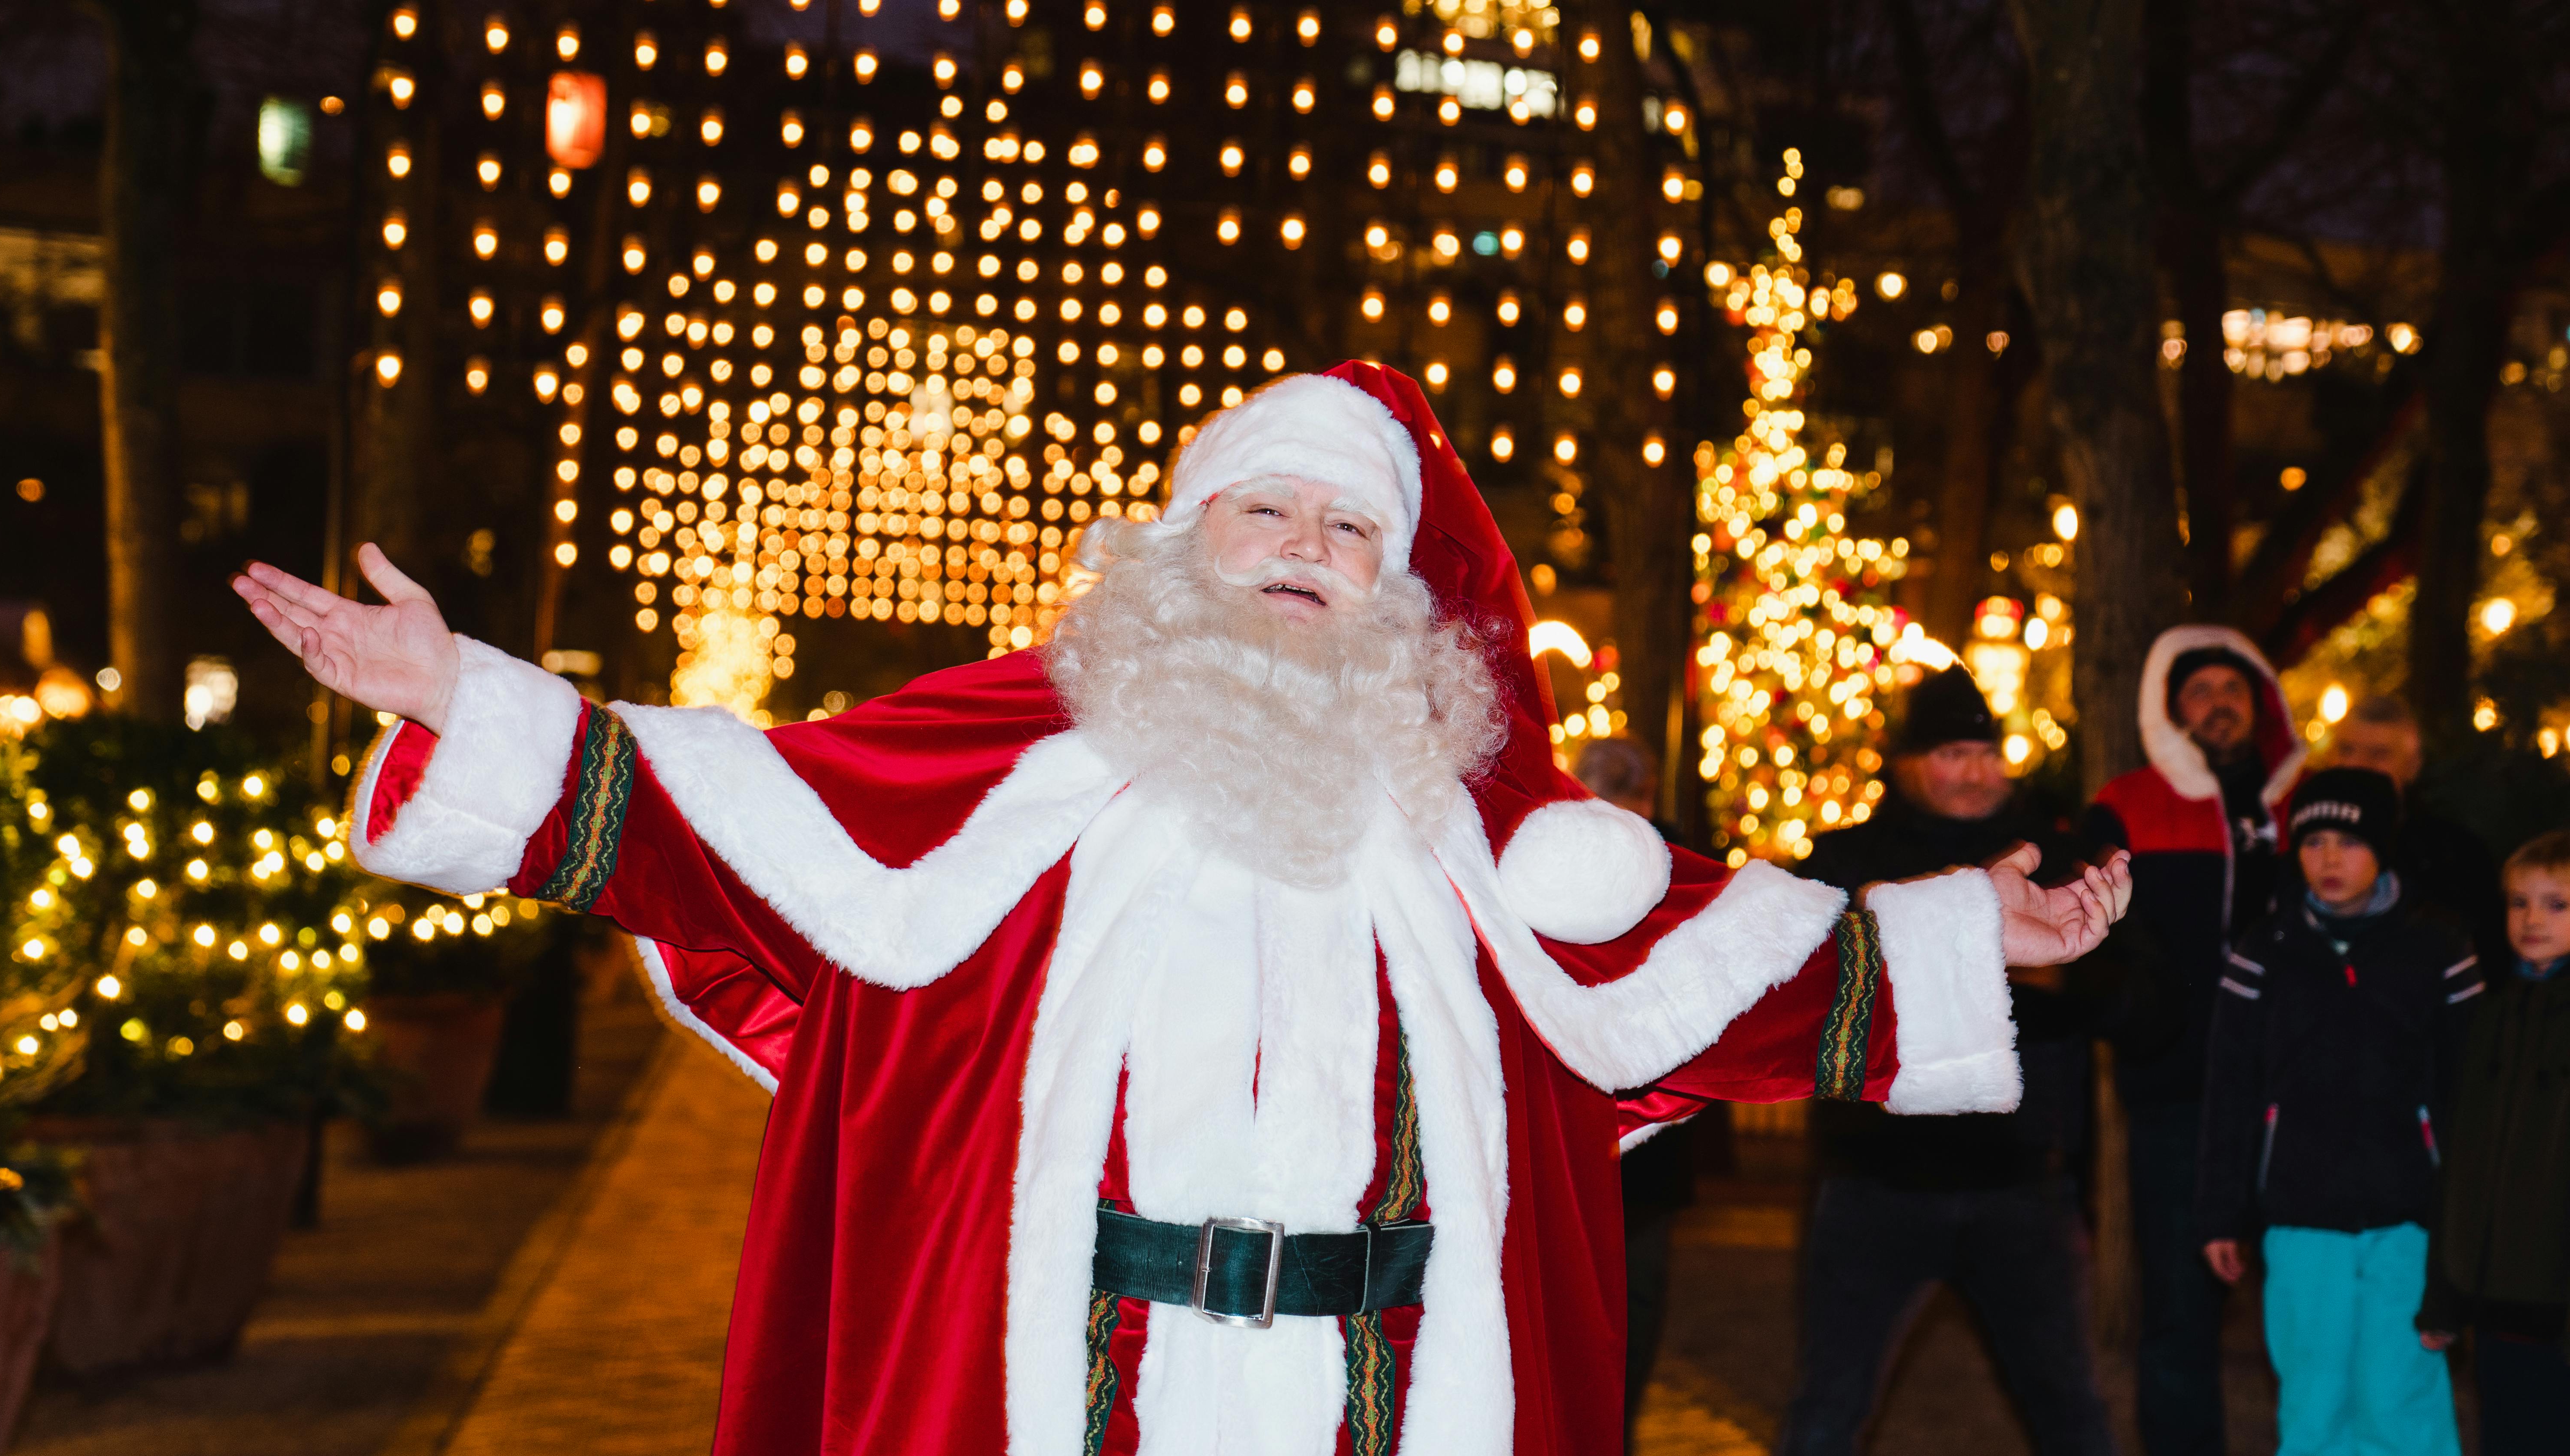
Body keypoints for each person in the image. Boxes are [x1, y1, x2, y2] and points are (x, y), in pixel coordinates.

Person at [233, 362, 2132, 1456]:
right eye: (1266, 516)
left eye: (1346, 531)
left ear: (1391, 585)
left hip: (1386, 1401)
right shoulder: (1025, 760)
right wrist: (466, 694)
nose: (1305, 552)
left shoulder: (1466, 823)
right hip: (1088, 1382)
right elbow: (732, 805)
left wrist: (1969, 928)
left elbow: (1703, 956)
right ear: (1184, 543)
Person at [1779, 667, 2116, 1456]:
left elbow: (2141, 1001)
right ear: (1904, 763)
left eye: (1985, 752)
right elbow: (1798, 985)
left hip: (2022, 1183)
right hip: (1876, 1181)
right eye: (1949, 753)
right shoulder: (1845, 861)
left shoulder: (2056, 861)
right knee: (1828, 1407)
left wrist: (2060, 966)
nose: (1973, 772)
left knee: (2070, 1407)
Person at [2197, 767, 2476, 1456]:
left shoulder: (2438, 949)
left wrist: (2467, 1224)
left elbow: (2466, 1093)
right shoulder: (2265, 950)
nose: (2328, 858)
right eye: (2313, 839)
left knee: (2398, 1397)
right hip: (2300, 1218)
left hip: (2410, 1219)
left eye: (2349, 841)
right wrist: (2219, 1210)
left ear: (2384, 848)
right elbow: (2229, 1087)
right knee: (2314, 1398)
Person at [2083, 626, 2305, 1456]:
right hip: (2183, 1101)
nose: (2219, 704)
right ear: (2174, 709)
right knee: (2180, 1315)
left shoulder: (2309, 804)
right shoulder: (2128, 804)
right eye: (2201, 691)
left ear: (2263, 704)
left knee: (2314, 1310)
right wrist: (2148, 1027)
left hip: (2305, 1106)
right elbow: (2091, 940)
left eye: (2234, 690)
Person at [2419, 829, 2570, 1454]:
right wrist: (2444, 1298)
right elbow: (2461, 1164)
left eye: (2557, 903)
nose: (2533, 917)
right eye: (2518, 901)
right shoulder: (2489, 1015)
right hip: (2497, 1305)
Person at [1569, 736, 1697, 1442]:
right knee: (1631, 1305)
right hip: (1642, 1143)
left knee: (1602, 1302)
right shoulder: (1682, 874)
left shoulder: (1544, 868)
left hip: (1615, 1142)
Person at [2328, 695, 2509, 969]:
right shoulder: (2304, 845)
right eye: (2347, 750)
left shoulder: (2456, 854)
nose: (2358, 766)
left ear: (2413, 765)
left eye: (2379, 755)